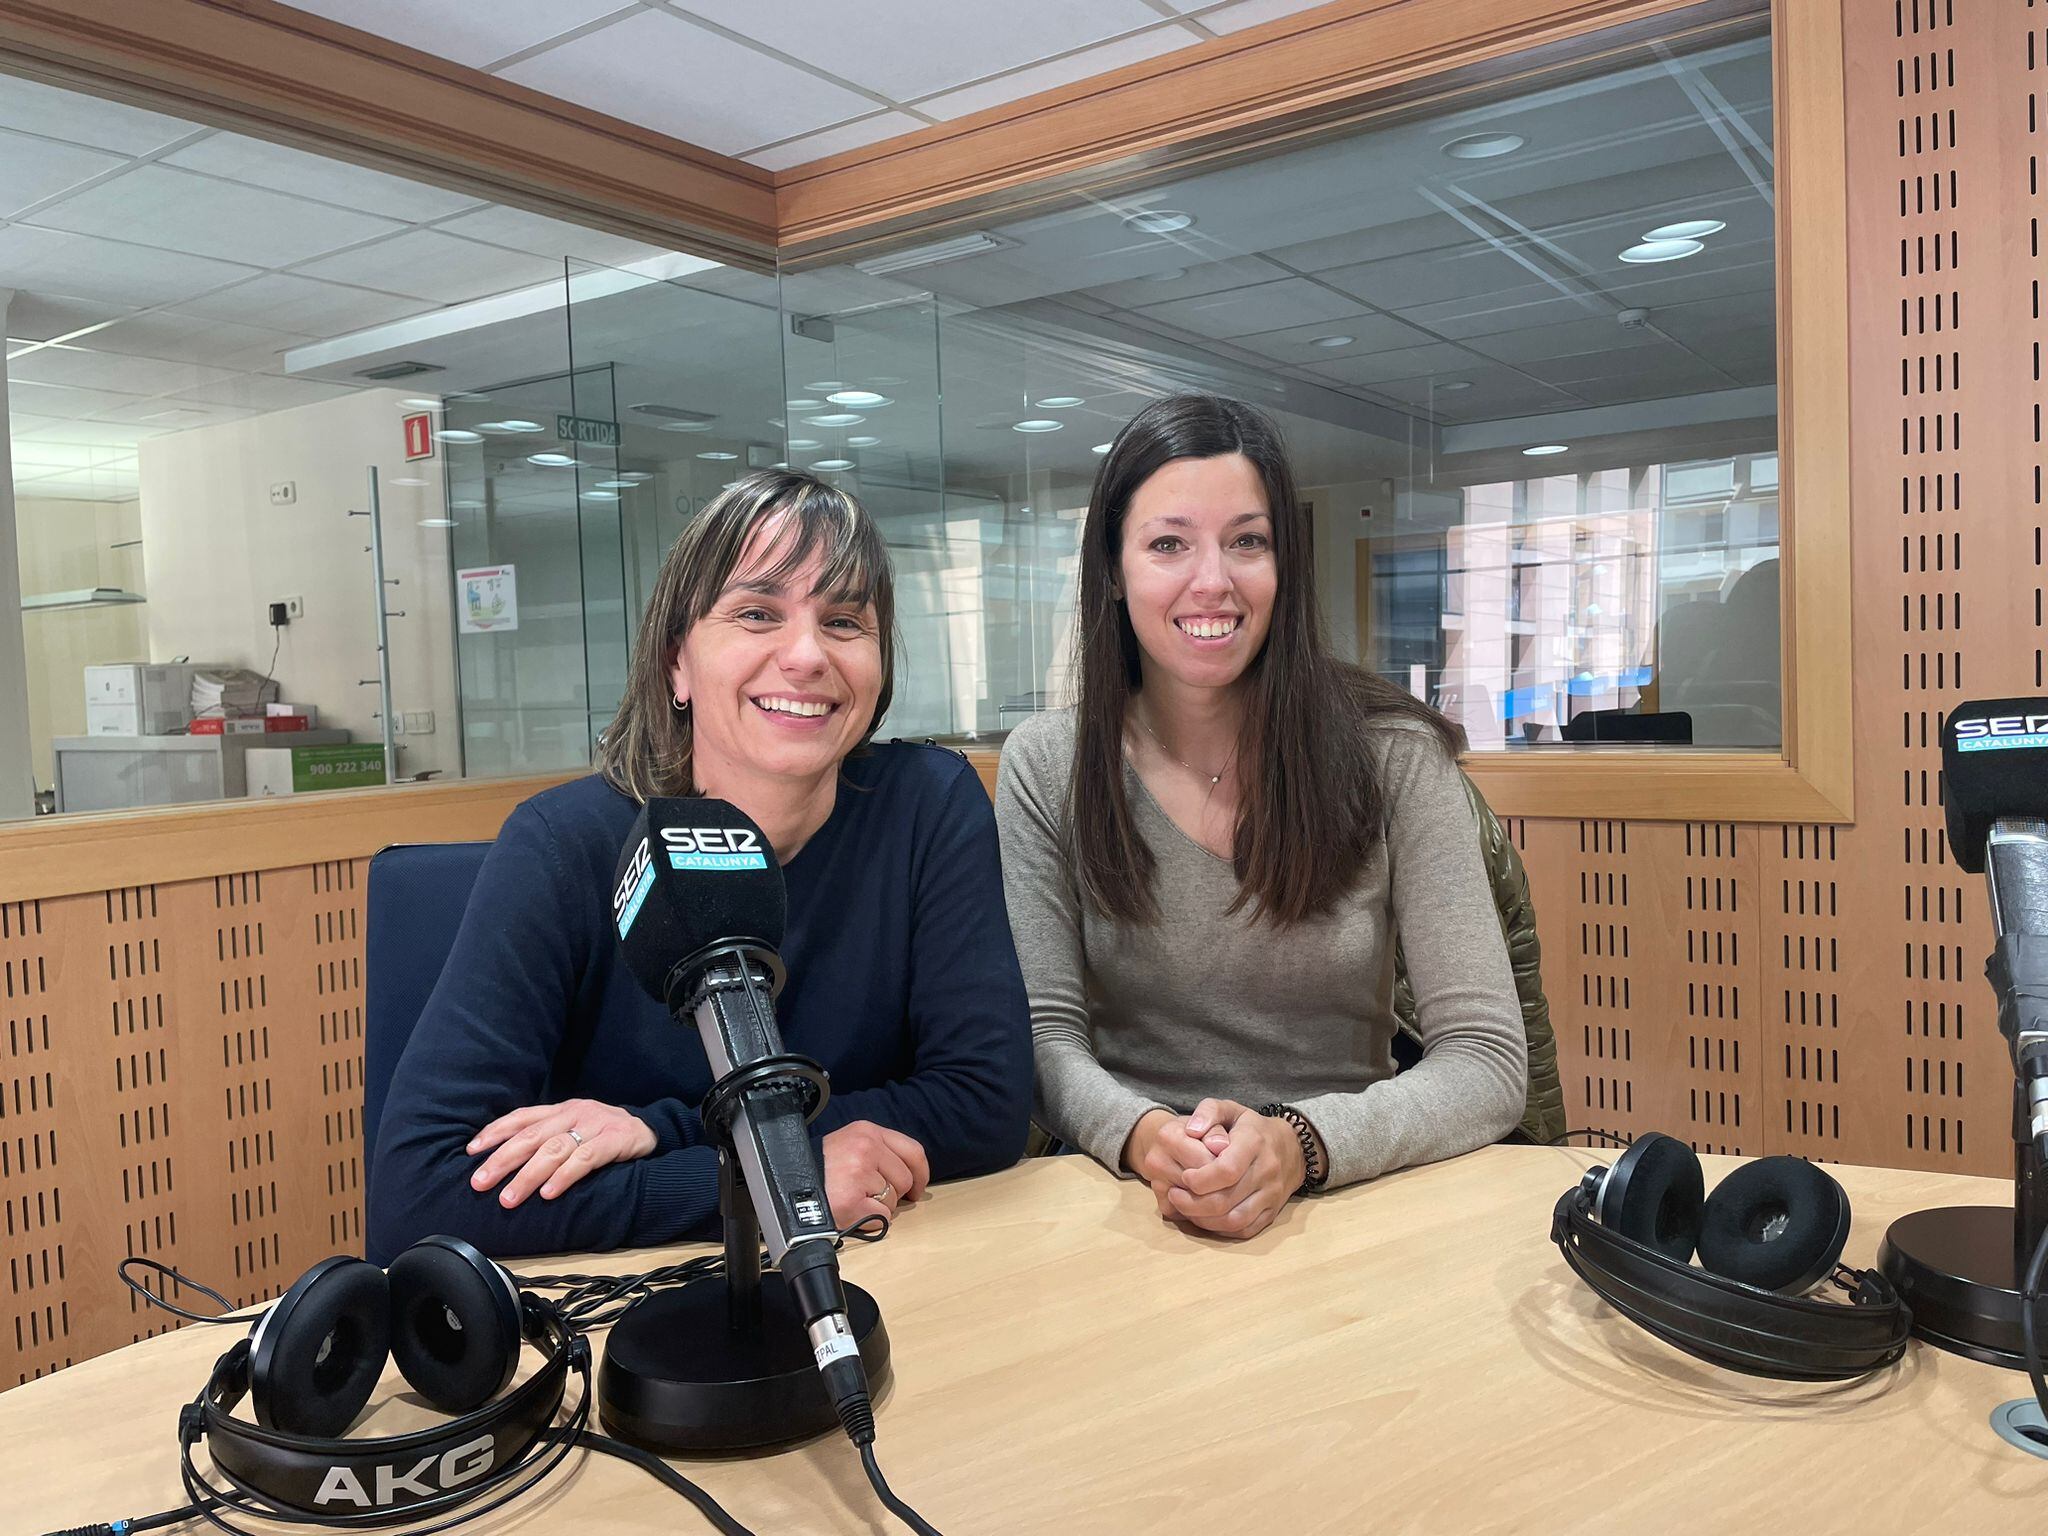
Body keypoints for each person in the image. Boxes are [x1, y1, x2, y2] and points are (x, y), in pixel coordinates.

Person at [368, 471, 1032, 1261]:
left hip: (888, 1272)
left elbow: (985, 1105)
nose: (807, 654)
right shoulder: (563, 845)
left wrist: (662, 1130)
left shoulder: (929, 806)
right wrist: (779, 1182)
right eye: (757, 613)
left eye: (845, 621)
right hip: (644, 1319)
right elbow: (418, 1195)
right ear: (677, 662)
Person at [997, 395, 1527, 1241]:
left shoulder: (1394, 755)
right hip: (1130, 1207)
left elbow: (1488, 1063)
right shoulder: (1049, 764)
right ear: (1113, 568)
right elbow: (1044, 1040)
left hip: (1352, 1194)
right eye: (1169, 543)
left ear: (1285, 564)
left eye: (1248, 541)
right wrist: (1142, 1136)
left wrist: (1299, 1144)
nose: (1214, 580)